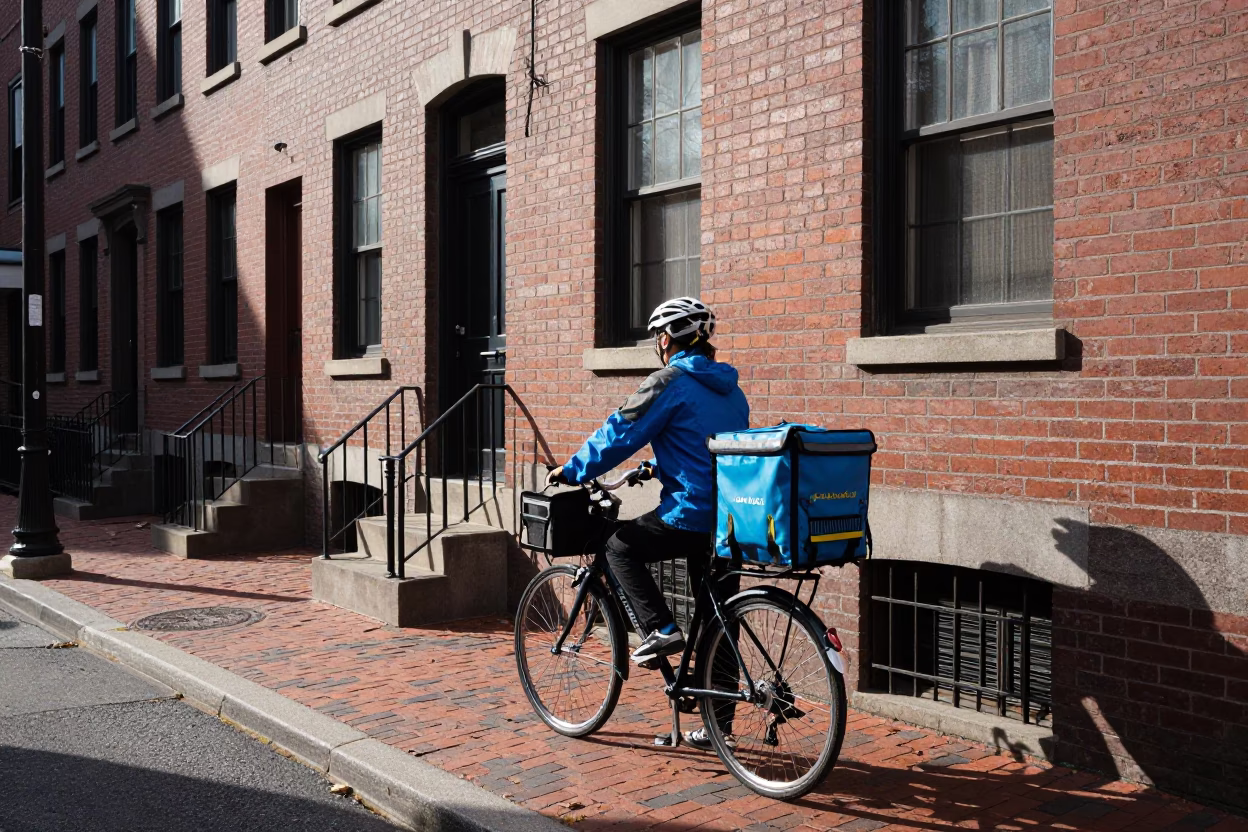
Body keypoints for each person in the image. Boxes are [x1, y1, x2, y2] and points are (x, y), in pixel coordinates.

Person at [547, 297, 749, 747]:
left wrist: (574, 469)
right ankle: (721, 728)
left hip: (690, 513)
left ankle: (660, 628)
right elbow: (707, 446)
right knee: (719, 621)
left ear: (666, 339)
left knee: (620, 547)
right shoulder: (730, 389)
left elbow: (621, 431)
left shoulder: (670, 381)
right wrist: (660, 467)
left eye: (657, 336)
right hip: (729, 518)